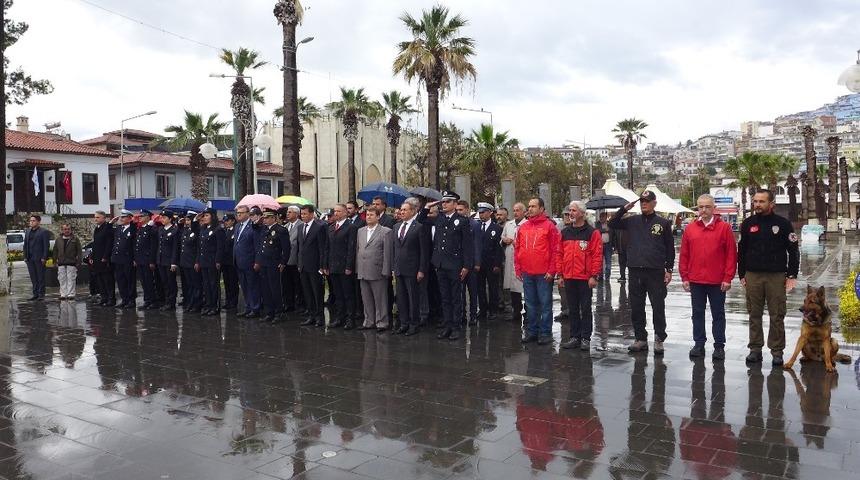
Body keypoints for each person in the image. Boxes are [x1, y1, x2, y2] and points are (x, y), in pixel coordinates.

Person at [738, 189, 799, 366]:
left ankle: (777, 351)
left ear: (771, 204)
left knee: (777, 314)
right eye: (755, 201)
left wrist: (792, 275)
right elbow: (741, 251)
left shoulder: (783, 224)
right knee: (754, 314)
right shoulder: (748, 223)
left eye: (761, 201)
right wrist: (742, 274)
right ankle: (755, 349)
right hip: (753, 275)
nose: (757, 204)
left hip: (776, 276)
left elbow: (794, 251)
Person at [609, 190, 674, 354]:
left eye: (647, 201)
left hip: (655, 271)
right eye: (641, 201)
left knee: (658, 306)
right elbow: (612, 223)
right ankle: (640, 338)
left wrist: (669, 269)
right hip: (636, 269)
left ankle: (659, 338)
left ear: (654, 203)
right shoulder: (632, 221)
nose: (643, 203)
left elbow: (670, 248)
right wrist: (624, 209)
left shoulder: (663, 223)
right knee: (636, 307)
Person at [679, 194, 737, 361]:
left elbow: (731, 255)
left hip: (717, 281)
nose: (703, 210)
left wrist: (728, 277)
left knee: (718, 314)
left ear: (714, 208)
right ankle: (699, 344)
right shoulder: (690, 228)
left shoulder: (724, 228)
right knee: (697, 313)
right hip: (696, 280)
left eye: (707, 207)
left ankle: (719, 346)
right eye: (700, 207)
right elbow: (684, 254)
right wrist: (685, 277)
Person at [417, 190, 473, 341]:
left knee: (455, 297)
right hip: (440, 264)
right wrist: (427, 206)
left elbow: (467, 246)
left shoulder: (462, 221)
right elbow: (421, 220)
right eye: (443, 201)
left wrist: (467, 266)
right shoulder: (439, 218)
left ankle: (456, 327)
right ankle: (447, 325)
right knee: (445, 297)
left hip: (455, 264)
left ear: (455, 204)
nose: (444, 204)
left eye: (448, 202)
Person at [515, 197, 561, 346]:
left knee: (545, 304)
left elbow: (556, 250)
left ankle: (545, 333)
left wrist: (552, 270)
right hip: (527, 273)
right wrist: (518, 268)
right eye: (529, 206)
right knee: (530, 304)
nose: (530, 209)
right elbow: (518, 249)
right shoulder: (523, 227)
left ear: (542, 209)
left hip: (544, 274)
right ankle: (532, 332)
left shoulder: (549, 227)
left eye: (534, 206)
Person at [557, 201, 602, 351]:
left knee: (586, 308)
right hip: (569, 276)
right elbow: (559, 254)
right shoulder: (565, 232)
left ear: (582, 213)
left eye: (574, 211)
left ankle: (585, 338)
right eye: (570, 210)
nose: (571, 213)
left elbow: (597, 255)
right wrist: (560, 274)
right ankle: (574, 336)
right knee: (573, 309)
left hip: (584, 278)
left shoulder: (592, 232)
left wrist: (594, 276)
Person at [392, 197, 430, 336]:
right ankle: (404, 323)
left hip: (413, 269)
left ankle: (414, 324)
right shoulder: (396, 227)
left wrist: (421, 270)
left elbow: (424, 252)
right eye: (401, 210)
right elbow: (395, 248)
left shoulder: (419, 227)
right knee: (401, 298)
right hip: (399, 268)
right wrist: (393, 266)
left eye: (405, 210)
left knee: (413, 298)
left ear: (413, 211)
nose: (402, 212)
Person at [356, 209, 393, 332]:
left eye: (372, 215)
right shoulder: (360, 231)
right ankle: (369, 321)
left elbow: (387, 253)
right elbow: (358, 250)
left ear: (378, 217)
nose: (369, 217)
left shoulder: (385, 232)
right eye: (367, 215)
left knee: (380, 298)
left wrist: (386, 271)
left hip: (377, 270)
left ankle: (382, 322)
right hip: (362, 269)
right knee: (366, 298)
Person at [256, 208, 291, 323]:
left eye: (266, 218)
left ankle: (278, 312)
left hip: (274, 263)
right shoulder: (264, 230)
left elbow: (286, 248)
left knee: (275, 288)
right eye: (264, 217)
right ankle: (269, 312)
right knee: (265, 289)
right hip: (264, 263)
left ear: (273, 218)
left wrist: (283, 262)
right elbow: (261, 246)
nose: (264, 220)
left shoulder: (281, 230)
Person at [326, 204, 358, 329]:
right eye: (335, 211)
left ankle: (350, 319)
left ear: (345, 213)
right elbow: (327, 248)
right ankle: (340, 317)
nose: (336, 213)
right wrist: (325, 265)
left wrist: (349, 266)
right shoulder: (331, 227)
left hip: (344, 266)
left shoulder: (351, 227)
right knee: (338, 294)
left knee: (348, 294)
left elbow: (351, 248)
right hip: (333, 265)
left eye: (339, 211)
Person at [298, 204, 328, 327]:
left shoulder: (320, 227)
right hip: (303, 266)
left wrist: (322, 265)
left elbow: (322, 248)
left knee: (317, 292)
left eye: (305, 214)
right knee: (307, 292)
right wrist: (299, 264)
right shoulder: (300, 227)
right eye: (302, 214)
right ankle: (311, 315)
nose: (303, 216)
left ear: (311, 214)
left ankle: (320, 317)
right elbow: (300, 247)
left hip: (315, 266)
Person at [476, 202, 504, 320]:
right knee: (480, 288)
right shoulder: (476, 226)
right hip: (479, 263)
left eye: (483, 212)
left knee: (493, 288)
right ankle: (482, 309)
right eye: (480, 212)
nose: (481, 215)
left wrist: (497, 264)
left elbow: (499, 248)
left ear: (490, 213)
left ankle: (493, 310)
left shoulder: (496, 228)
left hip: (492, 263)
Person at [457, 200, 482, 326]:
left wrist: (477, 262)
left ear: (467, 209)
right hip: (458, 264)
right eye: (457, 210)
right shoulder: (455, 223)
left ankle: (473, 315)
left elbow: (477, 245)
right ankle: (462, 315)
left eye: (461, 210)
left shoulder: (475, 225)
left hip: (471, 264)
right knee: (460, 292)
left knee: (473, 292)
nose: (459, 212)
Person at [234, 206, 262, 318]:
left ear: (247, 214)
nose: (238, 215)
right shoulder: (237, 226)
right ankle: (248, 307)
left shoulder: (253, 227)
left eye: (241, 213)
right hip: (239, 261)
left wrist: (257, 261)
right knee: (244, 286)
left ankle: (255, 308)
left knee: (253, 285)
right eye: (237, 213)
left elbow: (257, 245)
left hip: (250, 261)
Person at [197, 208, 226, 316]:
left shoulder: (218, 229)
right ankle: (208, 305)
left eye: (207, 215)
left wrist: (218, 260)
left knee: (214, 284)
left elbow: (220, 247)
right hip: (204, 261)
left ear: (212, 216)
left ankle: (215, 306)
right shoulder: (203, 229)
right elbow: (200, 247)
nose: (204, 217)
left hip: (213, 261)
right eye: (204, 216)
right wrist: (198, 261)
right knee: (206, 284)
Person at [502, 203, 526, 322]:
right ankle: (516, 311)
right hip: (510, 258)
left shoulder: (527, 224)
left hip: (522, 260)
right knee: (513, 288)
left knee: (525, 287)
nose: (515, 213)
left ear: (523, 212)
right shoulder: (508, 224)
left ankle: (528, 312)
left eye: (518, 210)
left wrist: (518, 244)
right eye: (514, 210)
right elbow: (502, 238)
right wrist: (505, 240)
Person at [111, 209, 137, 309]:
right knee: (120, 280)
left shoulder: (133, 229)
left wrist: (135, 259)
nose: (121, 219)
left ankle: (131, 300)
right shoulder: (118, 228)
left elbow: (134, 245)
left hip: (128, 258)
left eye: (123, 217)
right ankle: (124, 299)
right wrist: (111, 222)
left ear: (130, 218)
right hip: (118, 258)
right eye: (121, 217)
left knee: (130, 280)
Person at [133, 209, 159, 310]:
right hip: (140, 260)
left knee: (149, 282)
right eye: (140, 216)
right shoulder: (141, 229)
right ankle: (147, 300)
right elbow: (137, 246)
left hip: (147, 260)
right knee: (144, 282)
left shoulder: (152, 228)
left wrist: (152, 261)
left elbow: (153, 246)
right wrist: (136, 259)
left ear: (148, 217)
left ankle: (153, 301)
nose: (140, 218)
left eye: (142, 216)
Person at [156, 210, 180, 310]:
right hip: (161, 260)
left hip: (169, 260)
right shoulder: (161, 229)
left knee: (171, 282)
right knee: (164, 282)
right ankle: (167, 301)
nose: (162, 219)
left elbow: (175, 248)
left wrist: (174, 262)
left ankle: (171, 302)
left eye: (165, 217)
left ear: (170, 219)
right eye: (162, 217)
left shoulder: (174, 230)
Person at [23, 214, 51, 301]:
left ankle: (41, 294)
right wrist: (25, 256)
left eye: (33, 220)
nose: (31, 222)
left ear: (38, 222)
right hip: (29, 258)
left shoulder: (44, 232)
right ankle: (35, 294)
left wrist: (44, 257)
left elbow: (46, 246)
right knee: (33, 277)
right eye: (30, 221)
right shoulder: (27, 231)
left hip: (39, 258)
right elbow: (25, 245)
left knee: (40, 277)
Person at [179, 210, 202, 313]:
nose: (187, 222)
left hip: (193, 262)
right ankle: (190, 303)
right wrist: (180, 223)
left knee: (196, 284)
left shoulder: (197, 230)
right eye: (186, 220)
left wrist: (197, 261)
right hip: (185, 262)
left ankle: (197, 304)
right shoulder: (186, 230)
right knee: (189, 285)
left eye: (189, 220)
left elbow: (198, 248)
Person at [90, 211, 115, 306]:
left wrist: (105, 256)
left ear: (104, 218)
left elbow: (109, 244)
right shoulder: (97, 229)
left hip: (104, 259)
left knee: (107, 280)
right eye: (95, 217)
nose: (95, 219)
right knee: (100, 279)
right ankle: (104, 298)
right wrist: (92, 256)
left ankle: (111, 299)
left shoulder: (107, 228)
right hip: (97, 258)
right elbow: (95, 244)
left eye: (98, 217)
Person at [281, 206, 303, 313]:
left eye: (290, 212)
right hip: (285, 260)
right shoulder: (285, 226)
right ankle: (288, 304)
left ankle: (299, 304)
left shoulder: (301, 226)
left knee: (297, 284)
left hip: (296, 260)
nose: (287, 214)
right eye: (287, 212)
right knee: (286, 284)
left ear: (296, 214)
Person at [53, 223, 82, 300]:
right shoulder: (58, 239)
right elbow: (55, 250)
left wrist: (79, 261)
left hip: (71, 262)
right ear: (62, 230)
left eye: (68, 229)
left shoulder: (75, 239)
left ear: (71, 230)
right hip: (61, 262)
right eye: (65, 229)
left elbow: (79, 251)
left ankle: (71, 294)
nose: (67, 231)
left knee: (71, 278)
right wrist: (54, 260)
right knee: (61, 278)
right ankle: (63, 294)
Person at [221, 213, 240, 311]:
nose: (226, 223)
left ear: (233, 220)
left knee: (233, 283)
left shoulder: (235, 231)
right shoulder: (225, 231)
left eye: (227, 221)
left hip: (232, 261)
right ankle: (228, 301)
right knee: (227, 282)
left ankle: (233, 301)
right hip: (225, 261)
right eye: (225, 221)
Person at [595, 212, 613, 281]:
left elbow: (613, 233)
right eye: (600, 217)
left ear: (606, 217)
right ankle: (600, 277)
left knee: (608, 262)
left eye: (603, 216)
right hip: (600, 245)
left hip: (608, 245)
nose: (601, 218)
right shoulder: (597, 224)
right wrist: (605, 230)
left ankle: (607, 277)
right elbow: (596, 231)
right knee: (600, 262)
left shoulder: (610, 224)